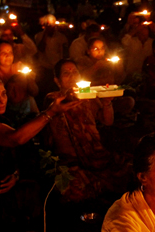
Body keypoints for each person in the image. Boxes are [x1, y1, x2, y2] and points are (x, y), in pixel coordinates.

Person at [0, 74, 78, 232]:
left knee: (36, 187)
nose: (2, 100)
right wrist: (51, 112)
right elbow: (15, 139)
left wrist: (15, 175)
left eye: (3, 93)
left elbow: (11, 158)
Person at [43, 59, 131, 202]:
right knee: (73, 187)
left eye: (75, 72)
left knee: (128, 168)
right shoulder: (53, 99)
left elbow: (107, 121)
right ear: (57, 81)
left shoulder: (88, 97)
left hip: (95, 154)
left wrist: (107, 102)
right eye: (66, 73)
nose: (72, 76)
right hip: (70, 160)